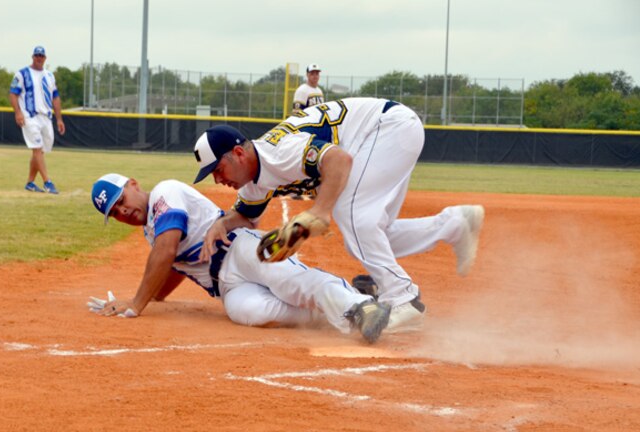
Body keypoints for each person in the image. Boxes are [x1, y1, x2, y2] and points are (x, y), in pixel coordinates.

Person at [193, 101, 485, 333]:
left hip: (387, 129)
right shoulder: (255, 181)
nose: (218, 180)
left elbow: (339, 160)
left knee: (352, 215)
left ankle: (404, 299)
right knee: (369, 233)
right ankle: (455, 224)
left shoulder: (279, 152)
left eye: (218, 170)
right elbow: (245, 215)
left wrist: (319, 211)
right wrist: (222, 222)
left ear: (239, 153)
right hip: (387, 134)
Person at [87, 173, 391, 344]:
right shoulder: (151, 232)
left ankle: (358, 305)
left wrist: (136, 303)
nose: (122, 211)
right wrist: (155, 297)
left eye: (121, 201)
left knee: (287, 281)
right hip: (227, 286)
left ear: (134, 184)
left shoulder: (164, 193)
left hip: (239, 249)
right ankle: (344, 306)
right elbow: (174, 265)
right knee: (252, 312)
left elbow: (167, 251)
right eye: (113, 213)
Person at [9, 45, 65, 194]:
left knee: (40, 152)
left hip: (46, 117)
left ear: (45, 58)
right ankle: (48, 182)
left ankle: (30, 183)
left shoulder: (49, 76)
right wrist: (18, 113)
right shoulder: (22, 74)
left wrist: (59, 119)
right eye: (36, 56)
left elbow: (55, 97)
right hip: (30, 116)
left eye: (41, 56)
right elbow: (13, 94)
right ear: (32, 57)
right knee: (37, 149)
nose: (39, 58)